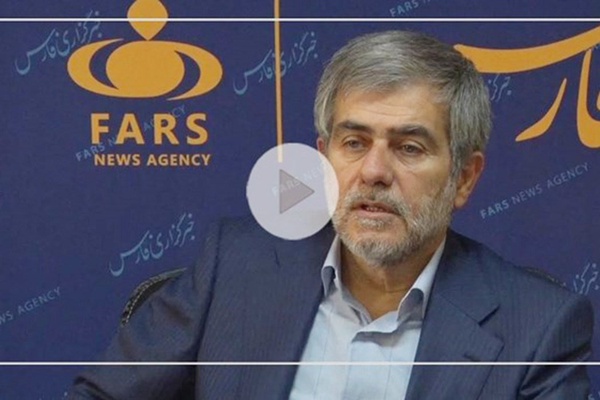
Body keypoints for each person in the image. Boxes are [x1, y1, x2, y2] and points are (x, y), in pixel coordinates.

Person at [69, 30, 593, 399]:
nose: (374, 172)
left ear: (464, 178)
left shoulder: (537, 329)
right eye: (354, 142)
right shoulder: (234, 266)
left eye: (409, 148)